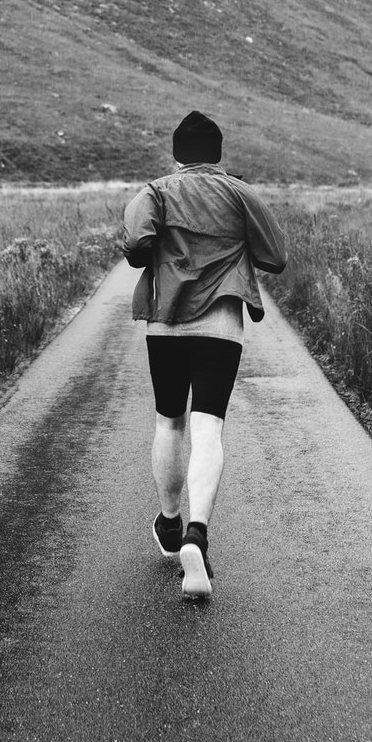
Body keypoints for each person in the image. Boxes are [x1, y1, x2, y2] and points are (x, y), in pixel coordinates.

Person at [121, 110, 287, 599]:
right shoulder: (240, 193)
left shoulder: (155, 192)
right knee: (208, 428)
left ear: (177, 155)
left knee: (169, 422)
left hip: (165, 324)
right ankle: (198, 533)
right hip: (220, 326)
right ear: (218, 153)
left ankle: (170, 523)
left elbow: (135, 246)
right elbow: (275, 257)